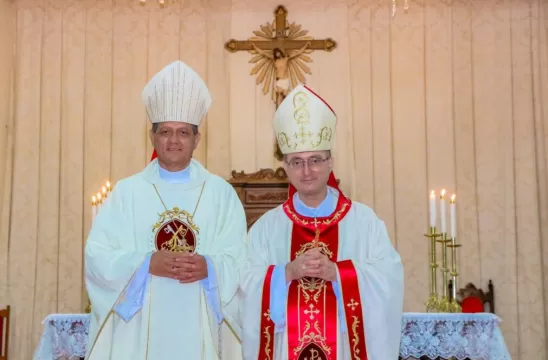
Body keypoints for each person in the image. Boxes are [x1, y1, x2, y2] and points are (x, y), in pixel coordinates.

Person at [84, 60, 247, 359]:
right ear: (152, 137)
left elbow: (241, 260)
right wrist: (145, 264)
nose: (173, 140)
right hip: (138, 328)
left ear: (197, 139)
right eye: (165, 132)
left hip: (201, 324)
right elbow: (97, 256)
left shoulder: (221, 194)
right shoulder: (127, 192)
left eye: (183, 132)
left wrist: (210, 268)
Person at [239, 84, 404, 359]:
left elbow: (388, 279)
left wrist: (339, 275)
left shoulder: (364, 222)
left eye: (315, 159)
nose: (307, 170)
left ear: (330, 162)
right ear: (286, 169)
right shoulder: (267, 228)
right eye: (296, 162)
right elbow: (244, 284)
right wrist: (286, 273)